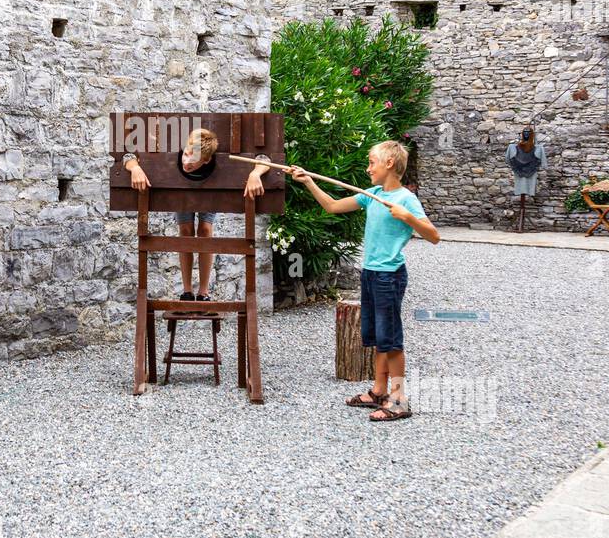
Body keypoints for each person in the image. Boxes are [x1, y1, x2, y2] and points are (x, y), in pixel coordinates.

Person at [290, 140, 439, 422]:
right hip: (370, 273)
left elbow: (433, 236)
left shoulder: (406, 199)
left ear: (389, 164)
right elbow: (332, 206)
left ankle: (399, 400)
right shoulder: (371, 194)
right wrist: (308, 180)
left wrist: (407, 216)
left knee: (391, 339)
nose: (368, 167)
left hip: (389, 276)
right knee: (377, 337)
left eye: (372, 162)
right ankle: (379, 391)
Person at [123, 127, 268, 307]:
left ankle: (204, 292)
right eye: (186, 153)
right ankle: (187, 290)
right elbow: (127, 155)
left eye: (195, 158)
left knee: (205, 229)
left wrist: (255, 173)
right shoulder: (183, 156)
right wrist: (134, 167)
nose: (187, 160)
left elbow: (265, 158)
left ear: (206, 160)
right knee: (185, 230)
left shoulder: (210, 159)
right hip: (180, 190)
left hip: (210, 190)